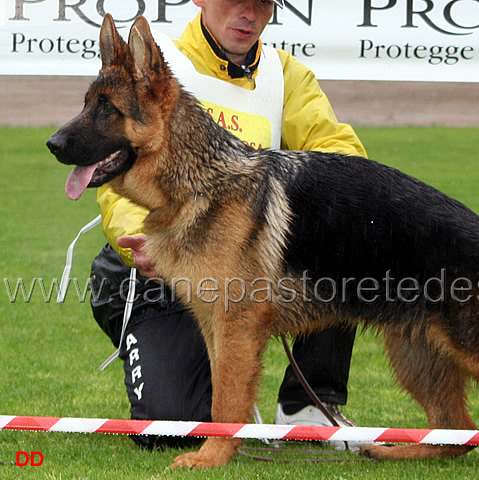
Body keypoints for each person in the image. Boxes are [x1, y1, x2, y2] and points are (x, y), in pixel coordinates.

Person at [89, 0, 367, 450]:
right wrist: (134, 240)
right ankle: (222, 393)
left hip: (243, 264)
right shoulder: (158, 70)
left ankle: (310, 404)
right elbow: (112, 176)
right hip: (155, 265)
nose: (249, 14)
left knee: (346, 224)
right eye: (235, 0)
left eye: (262, 5)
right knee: (172, 430)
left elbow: (342, 156)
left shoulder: (284, 74)